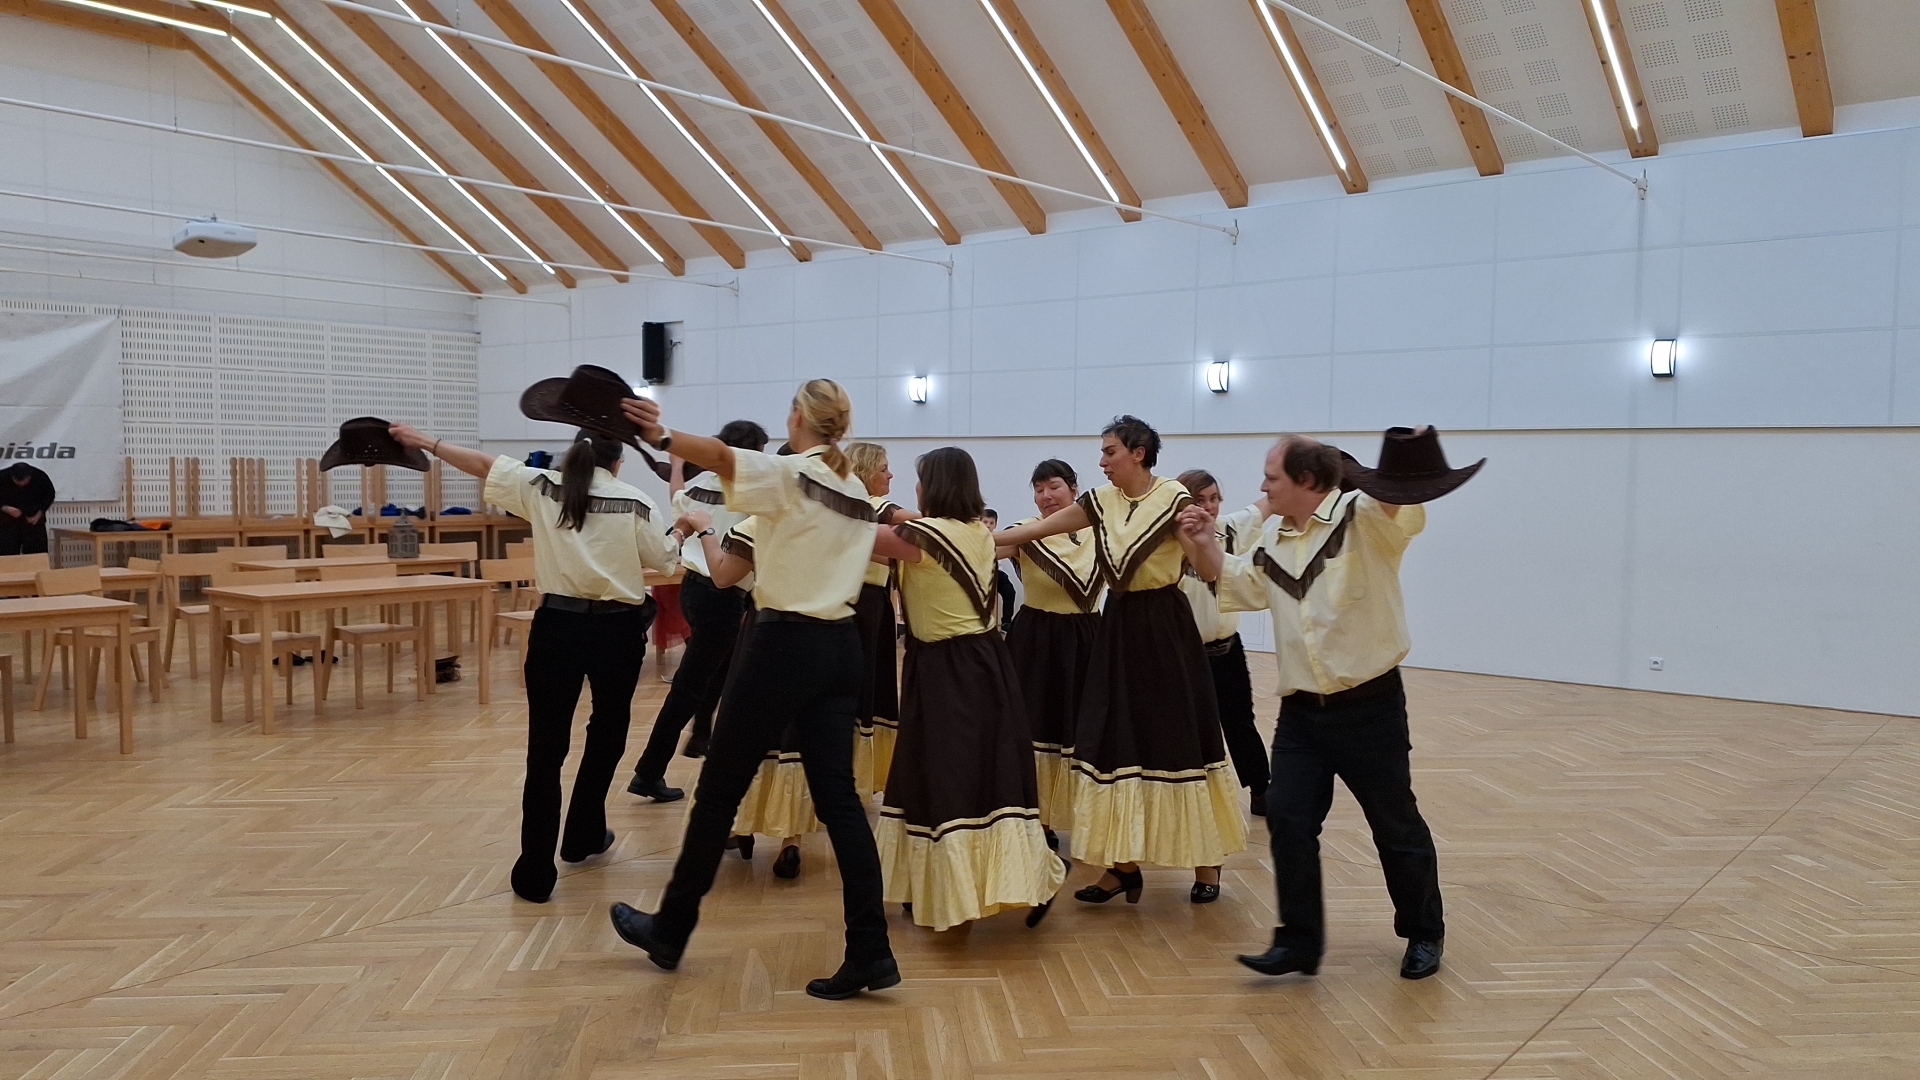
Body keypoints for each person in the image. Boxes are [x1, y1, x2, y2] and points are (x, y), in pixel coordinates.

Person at [609, 379, 899, 1002]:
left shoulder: (791, 474)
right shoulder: (854, 489)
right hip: (842, 647)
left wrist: (660, 434)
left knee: (717, 793)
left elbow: (719, 455)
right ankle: (870, 949)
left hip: (783, 646)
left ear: (797, 418)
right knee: (840, 804)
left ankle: (671, 929)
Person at [1216, 427, 1478, 981]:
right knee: (1288, 819)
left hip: (1370, 708)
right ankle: (1298, 943)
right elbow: (1239, 583)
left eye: (1271, 478)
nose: (1262, 488)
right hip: (1300, 714)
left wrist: (1404, 452)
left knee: (1394, 824)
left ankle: (1424, 931)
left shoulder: (1364, 518)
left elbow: (1399, 497)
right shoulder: (1273, 538)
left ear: (1307, 481)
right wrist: (1198, 541)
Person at [389, 423, 679, 904]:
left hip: (556, 627)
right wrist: (682, 530)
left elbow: (483, 465)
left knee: (545, 747)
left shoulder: (542, 486)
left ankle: (534, 869)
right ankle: (583, 833)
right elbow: (665, 560)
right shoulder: (634, 500)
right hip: (616, 631)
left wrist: (427, 442)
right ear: (618, 462)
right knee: (607, 732)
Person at [993, 416, 1246, 905]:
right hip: (1119, 626)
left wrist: (1205, 538)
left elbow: (1208, 569)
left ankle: (1207, 863)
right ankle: (1122, 868)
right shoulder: (1101, 501)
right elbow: (1040, 529)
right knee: (1111, 739)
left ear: (1138, 452)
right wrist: (970, 540)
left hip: (1165, 629)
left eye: (1110, 451)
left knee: (1180, 735)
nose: (1102, 461)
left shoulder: (1173, 498)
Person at [869, 448, 1068, 930]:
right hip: (977, 662)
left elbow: (852, 535)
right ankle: (958, 881)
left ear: (935, 485)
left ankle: (966, 890)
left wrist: (818, 491)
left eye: (920, 479)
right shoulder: (976, 530)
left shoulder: (926, 535)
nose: (915, 488)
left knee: (950, 776)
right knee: (977, 775)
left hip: (950, 668)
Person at [628, 421, 770, 800]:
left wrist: (677, 466)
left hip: (693, 589)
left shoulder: (700, 486)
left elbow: (678, 499)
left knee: (720, 667)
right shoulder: (753, 491)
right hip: (722, 595)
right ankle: (649, 771)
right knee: (690, 686)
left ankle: (701, 733)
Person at [999, 459, 1101, 848]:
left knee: (1084, 730)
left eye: (1054, 487)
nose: (1046, 496)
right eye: (1039, 489)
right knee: (1035, 729)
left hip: (1088, 639)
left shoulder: (1101, 531)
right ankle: (1038, 820)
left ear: (1074, 489)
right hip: (1036, 642)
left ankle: (1087, 815)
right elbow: (980, 551)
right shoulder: (1025, 532)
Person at [1174, 469, 1271, 818]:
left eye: (1214, 498)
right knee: (1189, 728)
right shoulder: (1168, 541)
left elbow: (1262, 507)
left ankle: (1261, 789)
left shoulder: (1226, 530)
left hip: (1227, 649)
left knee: (1240, 721)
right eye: (1200, 500)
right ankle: (1191, 798)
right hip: (1185, 656)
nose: (1209, 506)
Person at [845, 441, 910, 797]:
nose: (890, 475)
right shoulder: (870, 505)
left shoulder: (847, 509)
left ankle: (853, 773)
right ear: (865, 471)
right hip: (863, 606)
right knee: (862, 689)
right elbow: (911, 521)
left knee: (862, 689)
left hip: (866, 604)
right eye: (883, 468)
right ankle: (851, 775)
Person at [0, 462, 54, 556]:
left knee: (37, 554)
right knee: (7, 554)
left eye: (25, 481)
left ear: (30, 476)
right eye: (18, 482)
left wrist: (40, 513)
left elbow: (49, 495)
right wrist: (4, 508)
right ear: (12, 476)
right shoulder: (2, 476)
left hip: (33, 519)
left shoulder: (40, 476)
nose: (22, 484)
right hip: (7, 521)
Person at [980, 509, 1017, 631]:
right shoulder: (974, 537)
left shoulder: (999, 538)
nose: (988, 525)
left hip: (997, 572)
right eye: (985, 522)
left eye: (991, 523)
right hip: (981, 573)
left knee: (1010, 592)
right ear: (980, 522)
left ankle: (1006, 622)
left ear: (995, 525)